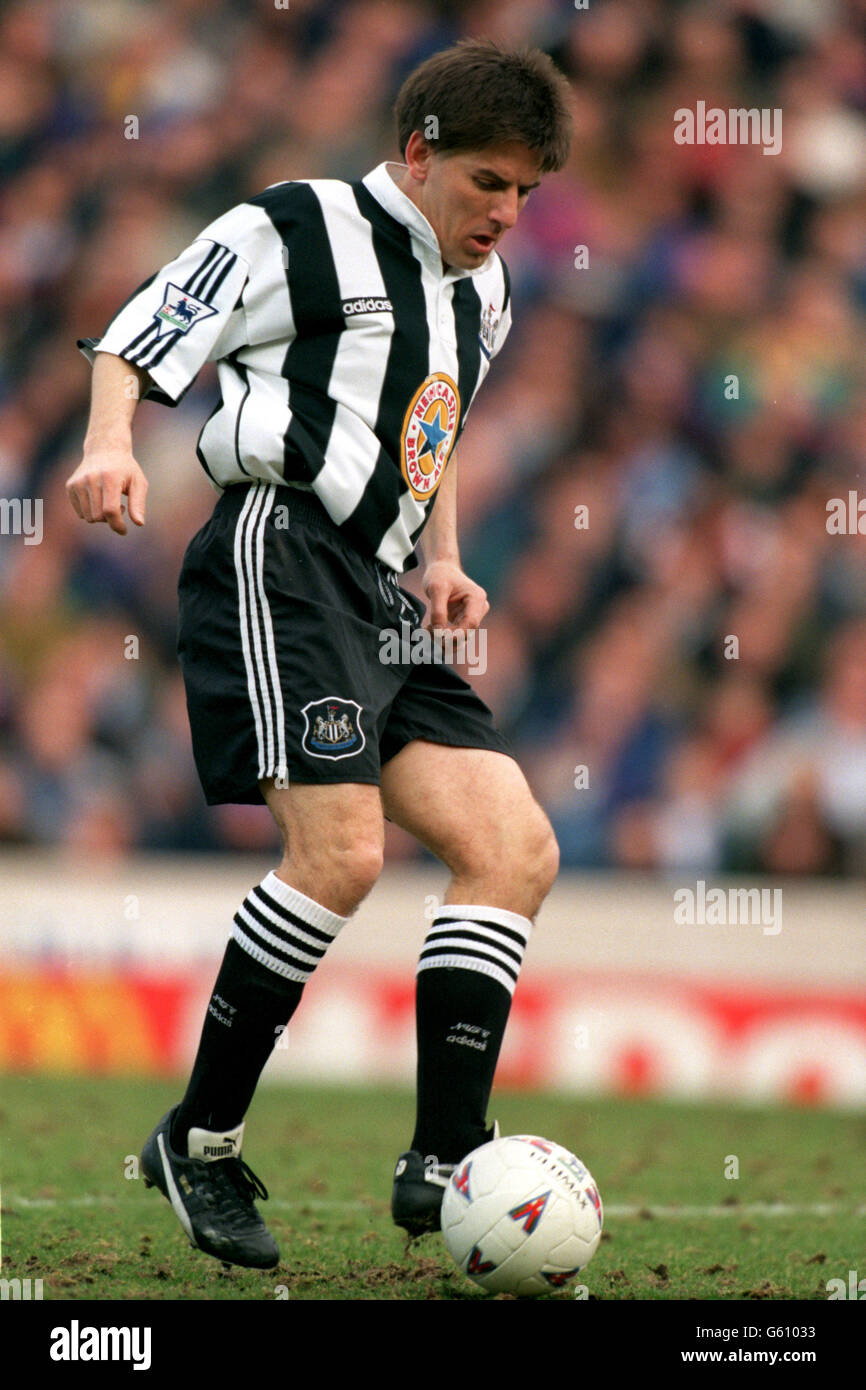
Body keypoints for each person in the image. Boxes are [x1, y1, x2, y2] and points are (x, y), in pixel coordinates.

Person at [66, 39, 573, 1270]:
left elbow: (431, 430)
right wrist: (110, 444)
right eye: (487, 183)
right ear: (419, 153)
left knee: (513, 846)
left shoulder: (483, 290)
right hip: (279, 546)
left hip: (382, 582)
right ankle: (199, 1142)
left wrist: (442, 555)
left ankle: (446, 1158)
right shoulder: (294, 226)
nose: (506, 214)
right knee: (339, 854)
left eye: (525, 192)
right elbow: (143, 328)